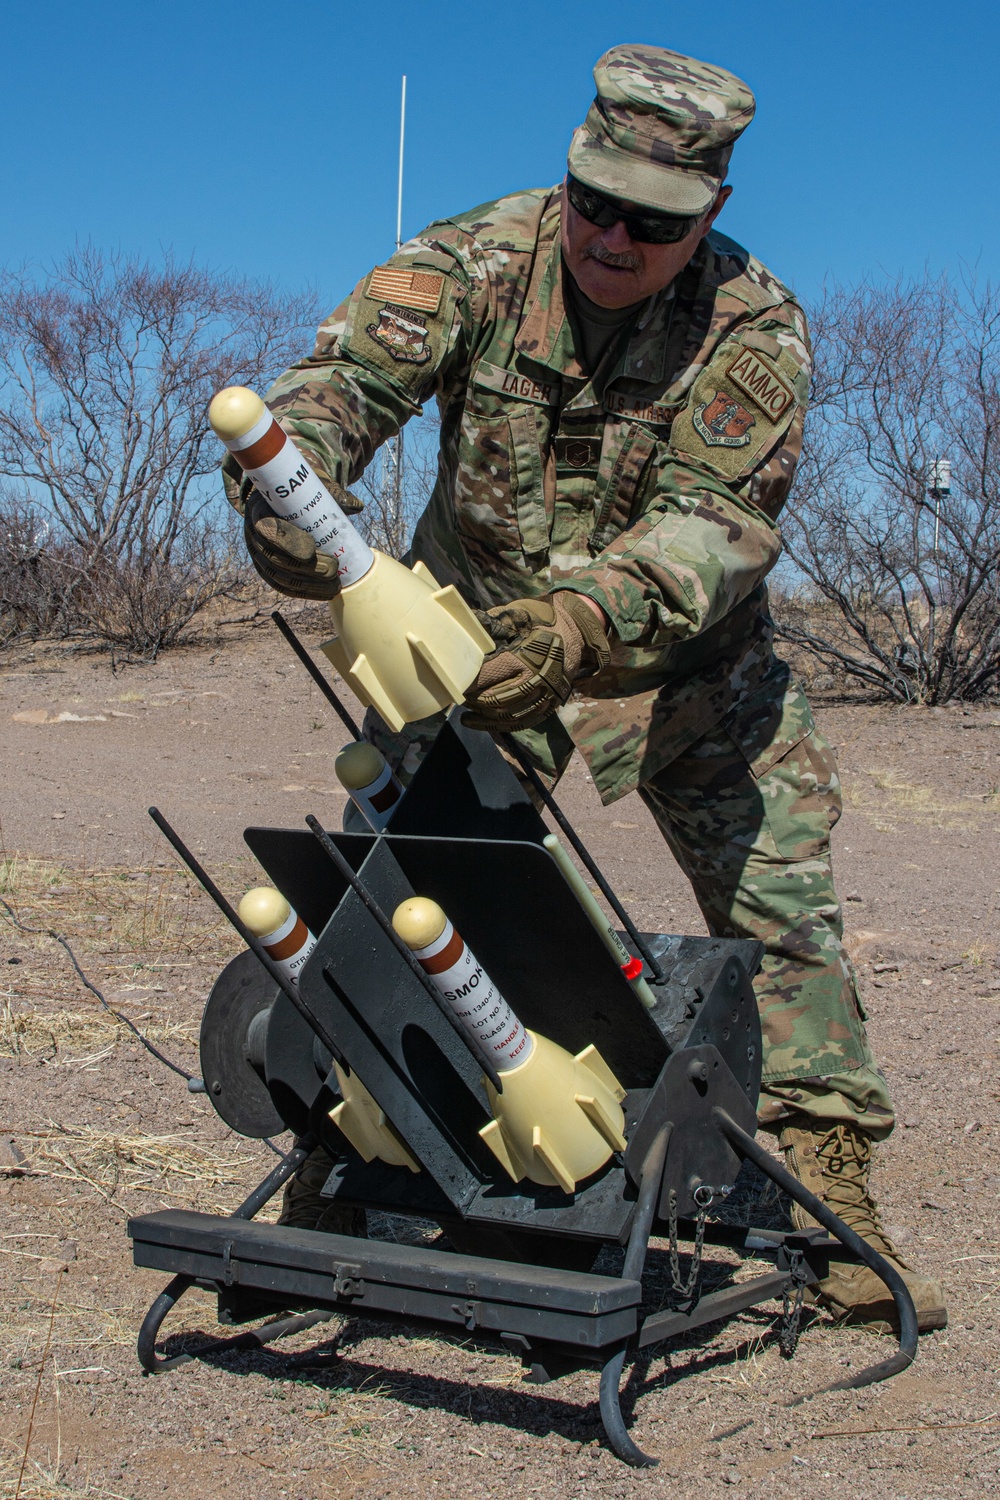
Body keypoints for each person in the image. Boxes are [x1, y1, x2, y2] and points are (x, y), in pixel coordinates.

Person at [225, 44, 945, 1332]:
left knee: (781, 909)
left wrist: (579, 624)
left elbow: (708, 530)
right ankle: (361, 1159)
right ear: (571, 174)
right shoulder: (475, 261)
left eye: (653, 221)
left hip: (683, 667)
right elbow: (336, 389)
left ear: (709, 212)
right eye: (597, 201)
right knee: (398, 887)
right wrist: (295, 489)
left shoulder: (757, 333)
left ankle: (826, 1185)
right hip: (469, 648)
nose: (613, 237)